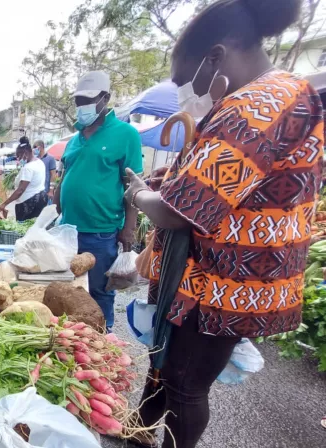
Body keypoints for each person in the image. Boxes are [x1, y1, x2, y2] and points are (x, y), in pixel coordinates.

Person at [122, 1, 321, 447]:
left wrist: (137, 194)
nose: (182, 94)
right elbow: (224, 185)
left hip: (229, 284)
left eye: (182, 81)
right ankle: (137, 434)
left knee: (186, 384)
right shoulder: (269, 96)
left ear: (215, 57)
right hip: (213, 277)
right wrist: (168, 181)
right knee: (165, 367)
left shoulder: (259, 106)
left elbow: (177, 212)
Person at [53, 70, 143, 331]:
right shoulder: (75, 138)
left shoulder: (125, 134)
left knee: (101, 290)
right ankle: (77, 337)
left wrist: (129, 228)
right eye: (79, 101)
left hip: (102, 231)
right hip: (68, 230)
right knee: (72, 289)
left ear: (105, 98)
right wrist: (57, 201)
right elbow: (66, 173)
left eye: (88, 100)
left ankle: (103, 338)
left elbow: (132, 184)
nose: (82, 106)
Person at [0, 136, 46, 221]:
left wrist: (4, 204)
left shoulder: (28, 168)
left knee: (24, 229)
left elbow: (20, 190)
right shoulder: (39, 162)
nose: (18, 159)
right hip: (40, 200)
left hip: (28, 204)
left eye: (19, 156)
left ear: (26, 153)